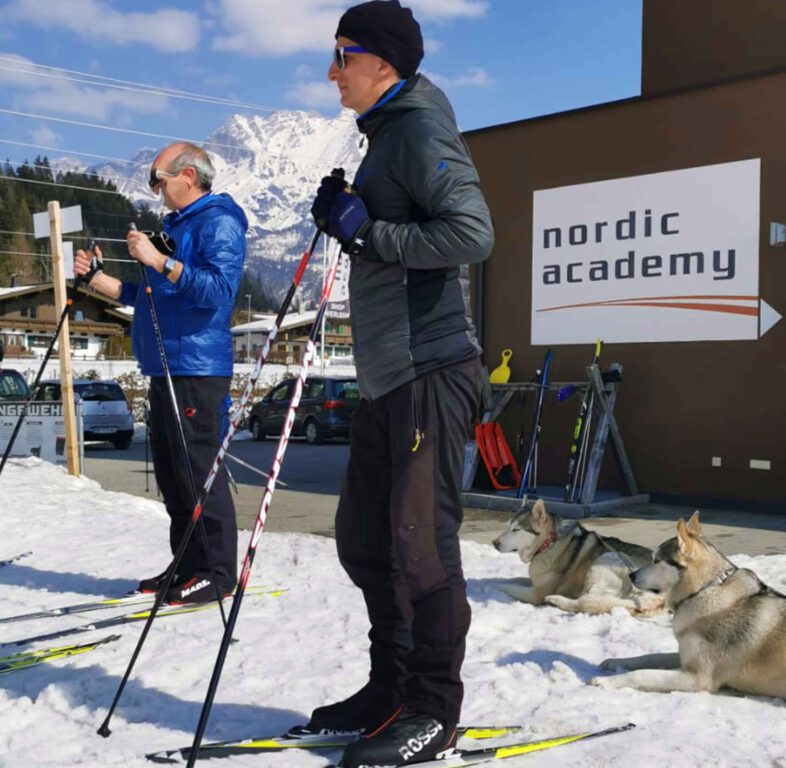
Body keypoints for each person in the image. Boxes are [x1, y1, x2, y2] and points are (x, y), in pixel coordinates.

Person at [303, 2, 493, 766]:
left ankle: (432, 710)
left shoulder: (416, 128)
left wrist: (365, 230)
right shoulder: (387, 134)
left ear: (382, 62)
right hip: (387, 380)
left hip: (430, 372)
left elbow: (472, 234)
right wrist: (347, 218)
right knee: (366, 541)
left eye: (342, 54)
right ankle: (390, 689)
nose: (331, 69)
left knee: (421, 547)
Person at [73, 142, 247, 605]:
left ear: (188, 175)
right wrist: (97, 279)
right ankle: (187, 564)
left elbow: (218, 292)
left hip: (196, 366)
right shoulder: (179, 225)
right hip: (165, 365)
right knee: (172, 475)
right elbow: (147, 295)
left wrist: (159, 260)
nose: (155, 189)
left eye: (159, 179)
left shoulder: (219, 222)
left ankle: (217, 572)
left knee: (198, 471)